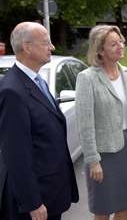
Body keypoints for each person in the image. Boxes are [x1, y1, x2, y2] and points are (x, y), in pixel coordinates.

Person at [0, 22, 79, 220]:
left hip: (51, 192)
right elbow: (17, 153)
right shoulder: (12, 90)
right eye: (46, 43)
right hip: (36, 201)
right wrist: (32, 202)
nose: (52, 47)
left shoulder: (35, 81)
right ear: (26, 48)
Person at [75, 25, 127, 220]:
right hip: (104, 154)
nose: (120, 46)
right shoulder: (87, 78)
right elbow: (85, 123)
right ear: (100, 50)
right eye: (113, 44)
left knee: (126, 205)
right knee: (103, 207)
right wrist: (93, 160)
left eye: (121, 41)